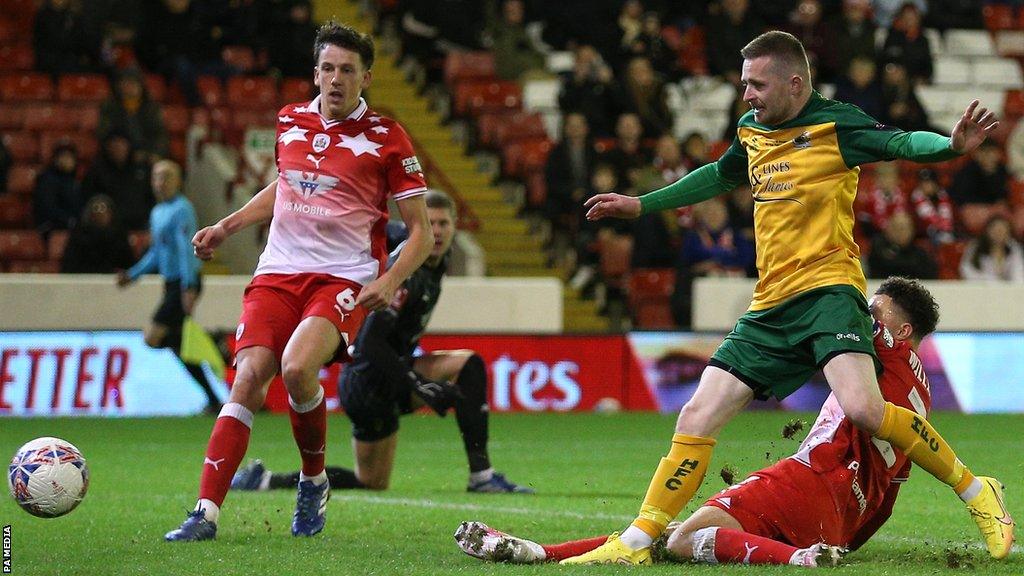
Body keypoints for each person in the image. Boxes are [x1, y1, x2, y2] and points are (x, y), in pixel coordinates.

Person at [563, 30, 1013, 564]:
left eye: (756, 84)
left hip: (829, 291)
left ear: (795, 83)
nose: (746, 94)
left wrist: (950, 147)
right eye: (743, 83)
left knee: (866, 410)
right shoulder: (751, 129)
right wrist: (642, 205)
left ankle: (976, 490)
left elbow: (900, 143)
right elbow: (718, 175)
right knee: (696, 414)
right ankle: (636, 543)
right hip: (771, 305)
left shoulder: (836, 123)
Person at [455, 277, 943, 567]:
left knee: (685, 537)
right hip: (840, 513)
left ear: (902, 331)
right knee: (678, 539)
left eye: (874, 312)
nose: (860, 318)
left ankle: (799, 559)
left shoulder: (883, 349)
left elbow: (826, 302)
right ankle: (540, 554)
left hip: (807, 479)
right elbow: (891, 491)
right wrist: (847, 536)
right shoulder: (919, 393)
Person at [165, 22, 433, 542]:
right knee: (246, 379)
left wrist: (391, 277)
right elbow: (284, 186)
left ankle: (313, 481)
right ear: (315, 72)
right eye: (328, 68)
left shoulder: (387, 137)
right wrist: (228, 225)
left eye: (347, 70)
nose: (336, 78)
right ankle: (204, 513)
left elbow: (421, 230)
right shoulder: (290, 120)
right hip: (278, 271)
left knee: (295, 369)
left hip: (343, 276)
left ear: (366, 77)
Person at [229, 191, 531, 495]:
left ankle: (267, 480)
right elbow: (370, 344)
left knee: (372, 481)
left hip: (388, 371)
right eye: (431, 223)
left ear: (455, 227)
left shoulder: (433, 250)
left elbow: (382, 229)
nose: (437, 231)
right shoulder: (405, 270)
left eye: (444, 224)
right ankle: (482, 476)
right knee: (469, 365)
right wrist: (418, 384)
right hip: (367, 381)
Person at [116, 160, 221, 413]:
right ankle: (212, 398)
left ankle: (216, 343)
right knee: (179, 345)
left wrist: (189, 286)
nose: (160, 182)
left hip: (184, 282)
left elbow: (186, 250)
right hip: (171, 283)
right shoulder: (157, 212)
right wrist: (133, 275)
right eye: (156, 177)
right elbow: (156, 252)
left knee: (153, 337)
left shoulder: (182, 209)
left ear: (178, 181)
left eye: (166, 177)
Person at [61, 194, 135, 273]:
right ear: (90, 214)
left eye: (105, 210)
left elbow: (128, 265)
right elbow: (70, 266)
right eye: (96, 209)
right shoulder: (79, 235)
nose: (101, 214)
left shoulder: (119, 234)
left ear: (111, 214)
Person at [866, 210, 938, 280]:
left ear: (912, 230)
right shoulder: (878, 248)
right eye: (896, 228)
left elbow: (929, 275)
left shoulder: (920, 253)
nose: (900, 232)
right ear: (887, 229)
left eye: (904, 228)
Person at [959, 215, 1024, 282]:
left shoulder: (1014, 248)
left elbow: (1019, 274)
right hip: (981, 288)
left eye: (1003, 230)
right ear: (987, 231)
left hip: (1007, 290)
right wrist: (993, 283)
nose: (999, 233)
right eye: (995, 230)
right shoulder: (976, 247)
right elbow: (967, 271)